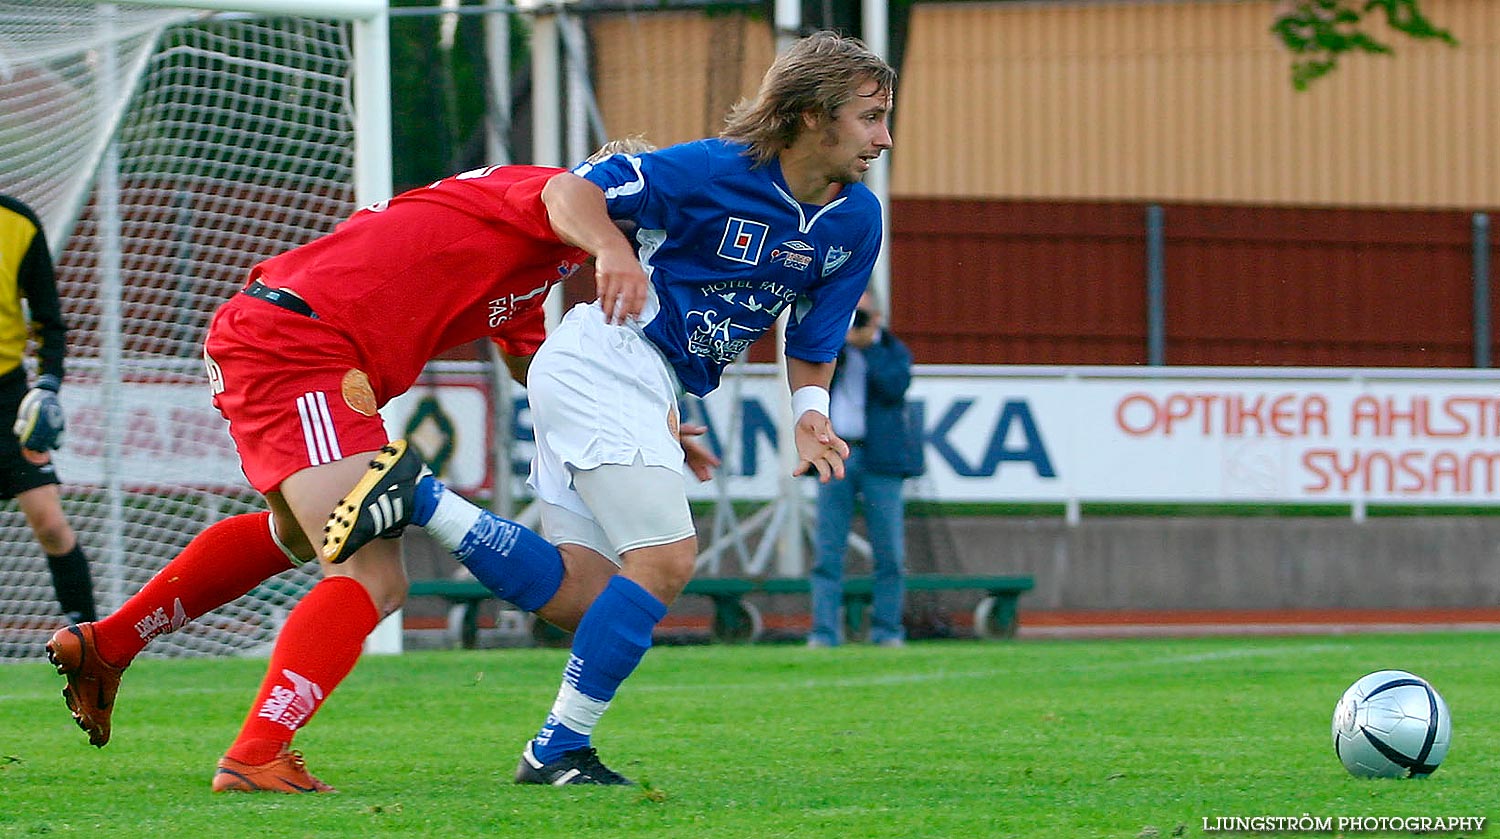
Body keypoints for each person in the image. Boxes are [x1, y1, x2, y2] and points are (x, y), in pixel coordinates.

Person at [324, 30, 895, 786]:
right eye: (870, 117)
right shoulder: (710, 169)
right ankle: (557, 748)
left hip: (641, 383)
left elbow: (815, 332)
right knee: (665, 560)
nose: (884, 138)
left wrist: (810, 410)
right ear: (811, 116)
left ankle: (425, 501)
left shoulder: (855, 221)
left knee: (583, 595)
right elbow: (570, 189)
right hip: (606, 361)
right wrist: (612, 251)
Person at [43, 140, 691, 793]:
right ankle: (256, 751)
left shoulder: (545, 261)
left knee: (296, 535)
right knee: (371, 573)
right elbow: (563, 194)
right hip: (304, 344)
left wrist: (634, 418)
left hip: (292, 339)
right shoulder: (545, 193)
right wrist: (609, 243)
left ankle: (109, 643)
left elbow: (532, 363)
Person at [0, 194, 97, 628]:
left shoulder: (18, 223)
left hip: (6, 397)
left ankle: (92, 647)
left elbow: (49, 321)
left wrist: (48, 386)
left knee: (51, 524)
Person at [807, 290, 917, 648]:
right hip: (835, 455)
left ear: (879, 316)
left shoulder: (892, 351)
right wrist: (841, 344)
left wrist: (868, 348)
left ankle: (887, 631)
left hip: (880, 460)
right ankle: (824, 632)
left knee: (889, 553)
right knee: (828, 550)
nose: (856, 322)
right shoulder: (831, 349)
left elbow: (894, 388)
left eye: (863, 314)